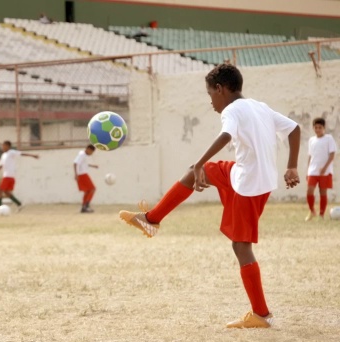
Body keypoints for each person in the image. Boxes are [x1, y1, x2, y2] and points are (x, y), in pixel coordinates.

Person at [119, 64, 301, 328]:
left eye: (210, 95)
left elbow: (226, 135)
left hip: (247, 185)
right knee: (195, 174)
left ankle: (261, 315)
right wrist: (292, 165)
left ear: (220, 89)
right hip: (249, 176)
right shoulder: (259, 106)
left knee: (241, 247)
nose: (211, 102)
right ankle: (151, 219)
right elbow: (294, 128)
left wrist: (199, 161)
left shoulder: (231, 110)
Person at [0, 140, 39, 213]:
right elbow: (1, 166)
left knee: (0, 190)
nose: (3, 147)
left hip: (8, 176)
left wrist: (33, 155)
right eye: (2, 145)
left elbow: (22, 154)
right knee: (6, 192)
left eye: (4, 145)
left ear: (8, 146)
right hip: (8, 176)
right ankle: (19, 204)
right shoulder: (4, 155)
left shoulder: (11, 152)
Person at [305, 117, 336, 221]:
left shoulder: (329, 138)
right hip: (312, 171)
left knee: (323, 192)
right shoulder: (311, 140)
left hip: (325, 172)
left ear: (324, 128)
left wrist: (324, 168)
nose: (318, 129)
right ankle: (312, 211)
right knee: (309, 191)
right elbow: (310, 156)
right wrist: (307, 170)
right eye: (316, 127)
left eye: (320, 127)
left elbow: (332, 155)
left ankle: (321, 214)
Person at [74, 145, 99, 213]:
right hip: (82, 174)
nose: (91, 154)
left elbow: (84, 164)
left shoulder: (83, 155)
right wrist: (76, 174)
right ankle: (86, 206)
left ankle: (84, 207)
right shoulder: (82, 155)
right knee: (93, 189)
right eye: (91, 152)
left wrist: (93, 166)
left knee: (88, 191)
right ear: (88, 149)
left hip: (82, 174)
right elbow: (75, 163)